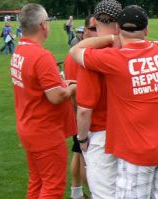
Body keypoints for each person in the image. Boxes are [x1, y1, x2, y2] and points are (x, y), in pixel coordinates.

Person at [70, 5, 158, 199]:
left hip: (132, 145)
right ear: (146, 30)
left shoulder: (114, 58)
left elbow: (75, 51)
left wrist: (81, 139)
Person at [11, 3, 76, 198]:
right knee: (53, 186)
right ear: (42, 25)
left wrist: (62, 83)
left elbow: (37, 85)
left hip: (29, 127)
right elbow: (55, 96)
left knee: (37, 181)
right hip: (45, 131)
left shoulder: (20, 51)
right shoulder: (41, 55)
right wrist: (73, 87)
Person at [74, 0, 121, 198]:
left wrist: (82, 138)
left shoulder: (90, 57)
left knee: (104, 193)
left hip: (101, 135)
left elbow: (84, 109)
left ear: (94, 20)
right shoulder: (130, 50)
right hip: (130, 132)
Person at [64, 15, 97, 199]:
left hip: (81, 116)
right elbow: (75, 92)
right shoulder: (79, 55)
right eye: (92, 28)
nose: (96, 31)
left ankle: (76, 192)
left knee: (78, 154)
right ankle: (95, 193)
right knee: (87, 160)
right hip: (83, 117)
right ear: (84, 31)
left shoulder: (84, 51)